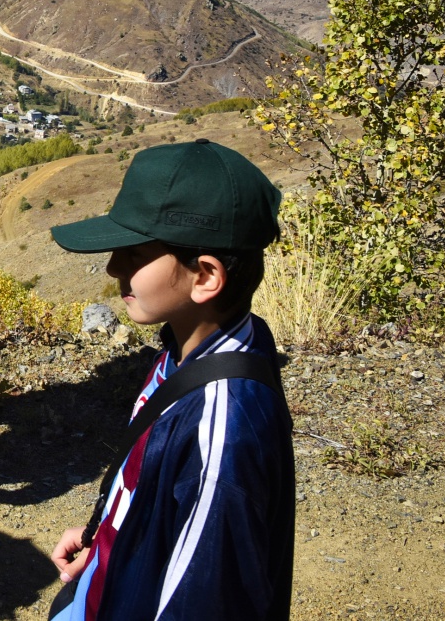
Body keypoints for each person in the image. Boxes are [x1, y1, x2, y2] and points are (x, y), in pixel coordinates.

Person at [46, 140, 296, 621]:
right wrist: (108, 529)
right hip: (109, 579)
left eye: (135, 253)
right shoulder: (188, 348)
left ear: (205, 276)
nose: (113, 266)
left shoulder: (222, 427)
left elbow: (203, 597)